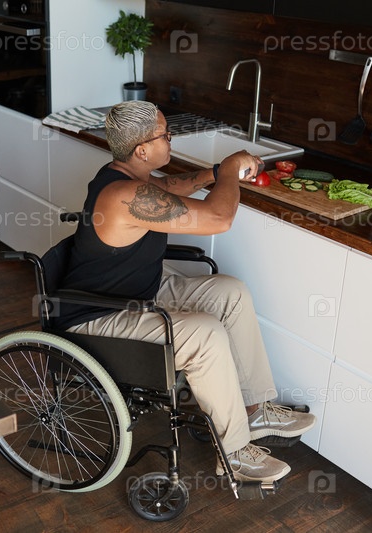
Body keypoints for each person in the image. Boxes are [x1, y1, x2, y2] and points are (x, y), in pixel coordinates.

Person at [54, 100, 316, 483]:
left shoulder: (126, 177)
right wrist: (230, 170)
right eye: (165, 135)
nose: (171, 139)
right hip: (98, 315)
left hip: (138, 292)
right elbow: (218, 218)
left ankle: (254, 409)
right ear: (142, 150)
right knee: (205, 333)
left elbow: (170, 186)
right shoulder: (124, 196)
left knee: (229, 292)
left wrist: (214, 173)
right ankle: (234, 454)